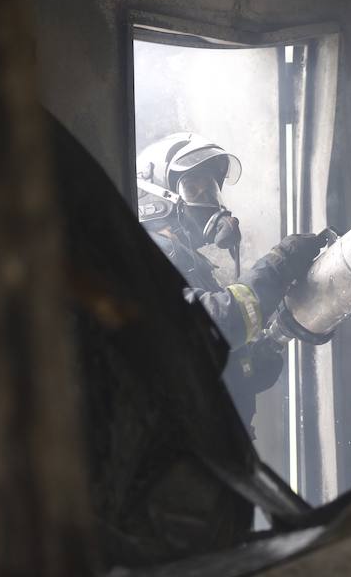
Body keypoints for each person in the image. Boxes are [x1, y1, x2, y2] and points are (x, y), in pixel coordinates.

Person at [136, 133, 324, 433]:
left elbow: (218, 369)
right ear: (154, 196)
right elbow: (211, 327)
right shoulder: (141, 255)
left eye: (211, 191)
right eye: (194, 188)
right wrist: (276, 267)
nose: (209, 202)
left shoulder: (193, 269)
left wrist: (262, 351)